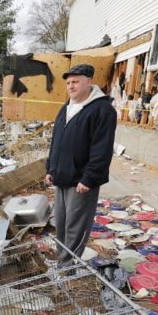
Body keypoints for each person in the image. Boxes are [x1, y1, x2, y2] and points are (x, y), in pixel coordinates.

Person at [45, 64, 117, 268]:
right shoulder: (67, 106)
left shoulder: (102, 109)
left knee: (76, 227)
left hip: (81, 181)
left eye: (75, 81)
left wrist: (90, 178)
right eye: (68, 83)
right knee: (61, 224)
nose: (71, 86)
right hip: (61, 177)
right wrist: (51, 168)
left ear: (89, 81)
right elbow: (56, 141)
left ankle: (67, 269)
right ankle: (62, 263)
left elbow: (102, 148)